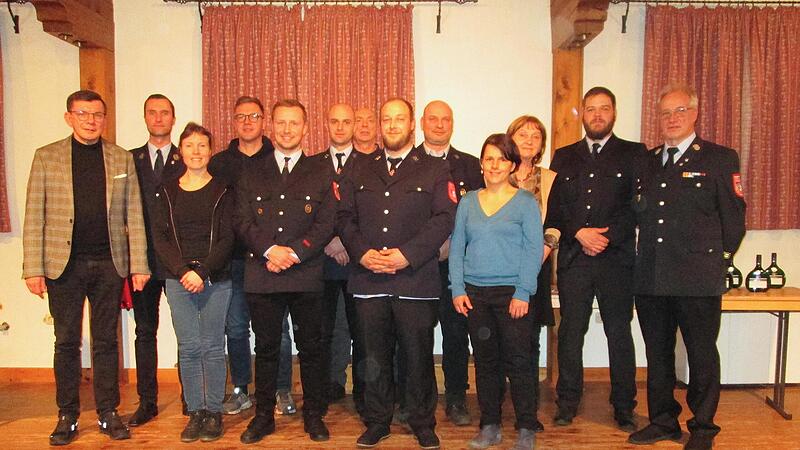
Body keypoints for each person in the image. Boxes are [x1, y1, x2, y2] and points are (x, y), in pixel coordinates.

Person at [22, 90, 150, 445]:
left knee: (107, 341)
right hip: (63, 266)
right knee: (65, 342)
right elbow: (35, 214)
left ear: (104, 119)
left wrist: (138, 264)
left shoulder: (121, 158)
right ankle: (67, 415)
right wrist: (32, 268)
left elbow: (134, 215)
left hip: (110, 263)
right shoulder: (47, 157)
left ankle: (108, 413)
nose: (91, 120)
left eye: (97, 114)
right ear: (69, 117)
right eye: (83, 113)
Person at [628, 84, 746, 450]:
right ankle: (663, 420)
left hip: (697, 278)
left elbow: (734, 219)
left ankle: (703, 428)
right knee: (657, 354)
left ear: (695, 114)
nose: (672, 118)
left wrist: (717, 261)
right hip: (651, 276)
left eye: (680, 111)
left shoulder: (719, 158)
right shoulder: (646, 162)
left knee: (701, 354)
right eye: (665, 113)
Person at [337, 98, 456, 450]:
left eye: (398, 119)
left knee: (418, 355)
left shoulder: (434, 169)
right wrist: (362, 253)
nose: (391, 125)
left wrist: (408, 255)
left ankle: (421, 421)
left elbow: (444, 219)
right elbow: (344, 217)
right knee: (372, 355)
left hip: (415, 280)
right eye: (386, 119)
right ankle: (377, 421)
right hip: (369, 277)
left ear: (411, 125)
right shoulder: (358, 168)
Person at [236, 99, 335, 444]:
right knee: (265, 348)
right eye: (281, 123)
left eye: (294, 123)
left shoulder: (321, 171)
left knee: (312, 347)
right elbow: (242, 220)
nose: (287, 129)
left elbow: (326, 222)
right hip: (263, 271)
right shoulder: (252, 170)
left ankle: (314, 415)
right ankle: (263, 417)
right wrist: (270, 250)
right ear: (271, 127)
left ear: (306, 129)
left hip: (305, 273)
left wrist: (295, 252)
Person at [545, 87, 644, 431]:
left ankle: (624, 407)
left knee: (619, 332)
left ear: (614, 113)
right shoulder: (564, 156)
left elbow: (638, 208)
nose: (597, 114)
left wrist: (605, 237)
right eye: (591, 109)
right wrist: (579, 233)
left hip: (616, 259)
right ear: (582, 114)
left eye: (604, 108)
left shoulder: (634, 154)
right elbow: (554, 208)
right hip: (575, 258)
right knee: (571, 332)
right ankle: (567, 403)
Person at [450, 133, 543, 450]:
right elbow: (456, 249)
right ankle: (490, 425)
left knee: (519, 363)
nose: (494, 165)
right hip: (476, 295)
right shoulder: (467, 202)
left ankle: (526, 426)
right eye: (489, 158)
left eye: (502, 159)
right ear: (481, 164)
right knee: (486, 363)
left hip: (512, 295)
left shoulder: (526, 203)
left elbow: (533, 250)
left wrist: (523, 291)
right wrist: (458, 288)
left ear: (513, 164)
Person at [208, 96, 297, 417]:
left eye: (254, 116)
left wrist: (276, 251)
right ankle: (240, 388)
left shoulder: (278, 158)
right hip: (231, 259)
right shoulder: (218, 163)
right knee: (235, 327)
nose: (247, 122)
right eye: (241, 116)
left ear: (264, 122)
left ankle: (281, 388)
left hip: (270, 259)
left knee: (278, 331)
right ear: (233, 121)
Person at [152, 122, 234, 443]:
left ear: (210, 151)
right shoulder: (167, 190)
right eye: (190, 146)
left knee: (213, 346)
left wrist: (203, 271)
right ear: (181, 150)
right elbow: (160, 237)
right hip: (177, 278)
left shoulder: (224, 189)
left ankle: (213, 411)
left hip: (216, 278)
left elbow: (229, 237)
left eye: (202, 146)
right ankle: (195, 411)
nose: (196, 152)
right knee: (188, 348)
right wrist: (182, 270)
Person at [416, 100, 483, 426]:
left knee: (456, 334)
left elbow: (480, 216)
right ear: (422, 123)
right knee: (416, 336)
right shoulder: (407, 162)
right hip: (416, 266)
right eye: (433, 119)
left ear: (452, 124)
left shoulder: (470, 166)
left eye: (445, 119)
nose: (439, 125)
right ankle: (419, 400)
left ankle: (456, 398)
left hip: (456, 266)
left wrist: (453, 245)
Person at [129, 94, 187, 426]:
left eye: (165, 113)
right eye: (152, 112)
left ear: (173, 119)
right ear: (145, 117)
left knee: (185, 332)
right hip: (142, 259)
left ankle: (188, 396)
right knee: (144, 330)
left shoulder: (187, 157)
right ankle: (147, 401)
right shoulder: (129, 159)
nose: (159, 118)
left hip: (177, 260)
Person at [313, 103, 367, 415]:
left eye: (347, 121)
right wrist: (329, 241)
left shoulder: (370, 163)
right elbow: (307, 215)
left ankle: (363, 389)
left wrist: (347, 241)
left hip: (358, 261)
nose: (341, 127)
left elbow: (370, 212)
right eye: (334, 121)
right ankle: (328, 384)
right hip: (321, 260)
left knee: (361, 330)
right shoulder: (312, 164)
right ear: (326, 124)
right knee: (323, 330)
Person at [507, 114, 558, 432]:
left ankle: (527, 409)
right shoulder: (496, 172)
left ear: (541, 145)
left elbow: (557, 220)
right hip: (497, 267)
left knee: (529, 339)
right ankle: (496, 403)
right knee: (499, 337)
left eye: (535, 135)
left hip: (536, 264)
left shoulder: (551, 178)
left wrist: (544, 250)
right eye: (521, 133)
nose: (528, 139)